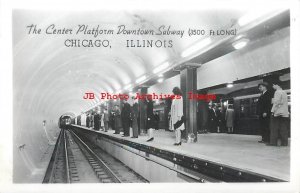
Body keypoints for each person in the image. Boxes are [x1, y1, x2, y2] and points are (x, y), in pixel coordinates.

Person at [269, 81, 289, 146]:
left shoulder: (277, 92)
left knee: (274, 128)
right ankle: (284, 143)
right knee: (283, 128)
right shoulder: (284, 92)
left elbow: (276, 102)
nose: (272, 87)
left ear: (276, 85)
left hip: (277, 113)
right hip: (285, 113)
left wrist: (272, 111)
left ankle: (273, 143)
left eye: (273, 85)